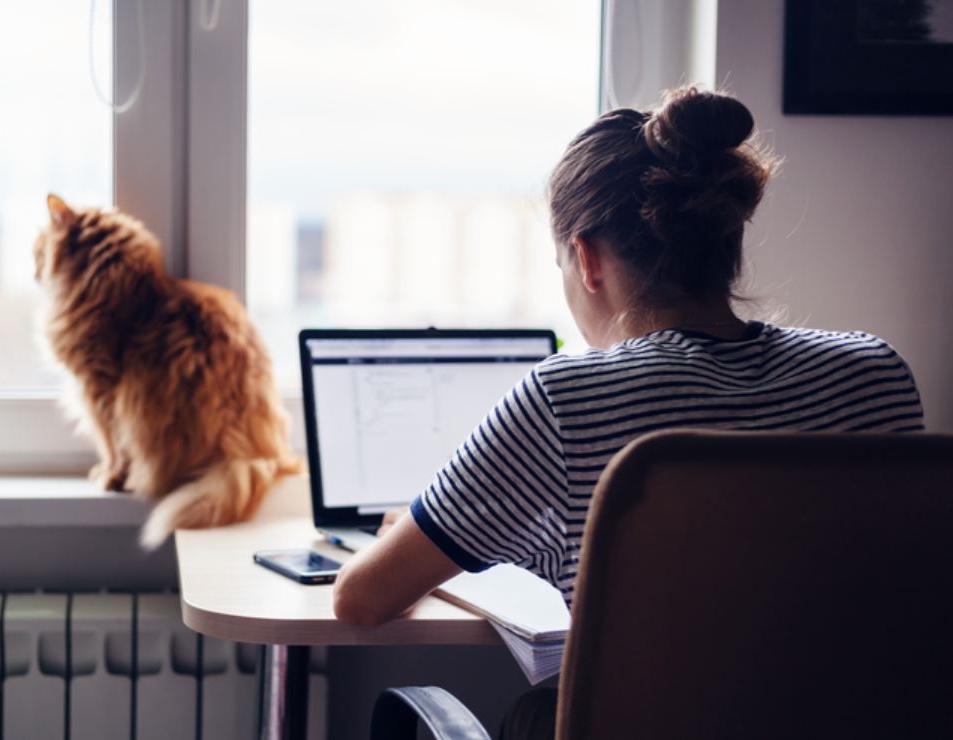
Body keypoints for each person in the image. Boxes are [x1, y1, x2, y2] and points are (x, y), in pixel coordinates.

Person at [331, 87, 925, 736]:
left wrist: (409, 538)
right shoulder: (873, 373)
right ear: (729, 239)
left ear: (585, 261)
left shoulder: (565, 398)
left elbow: (361, 599)